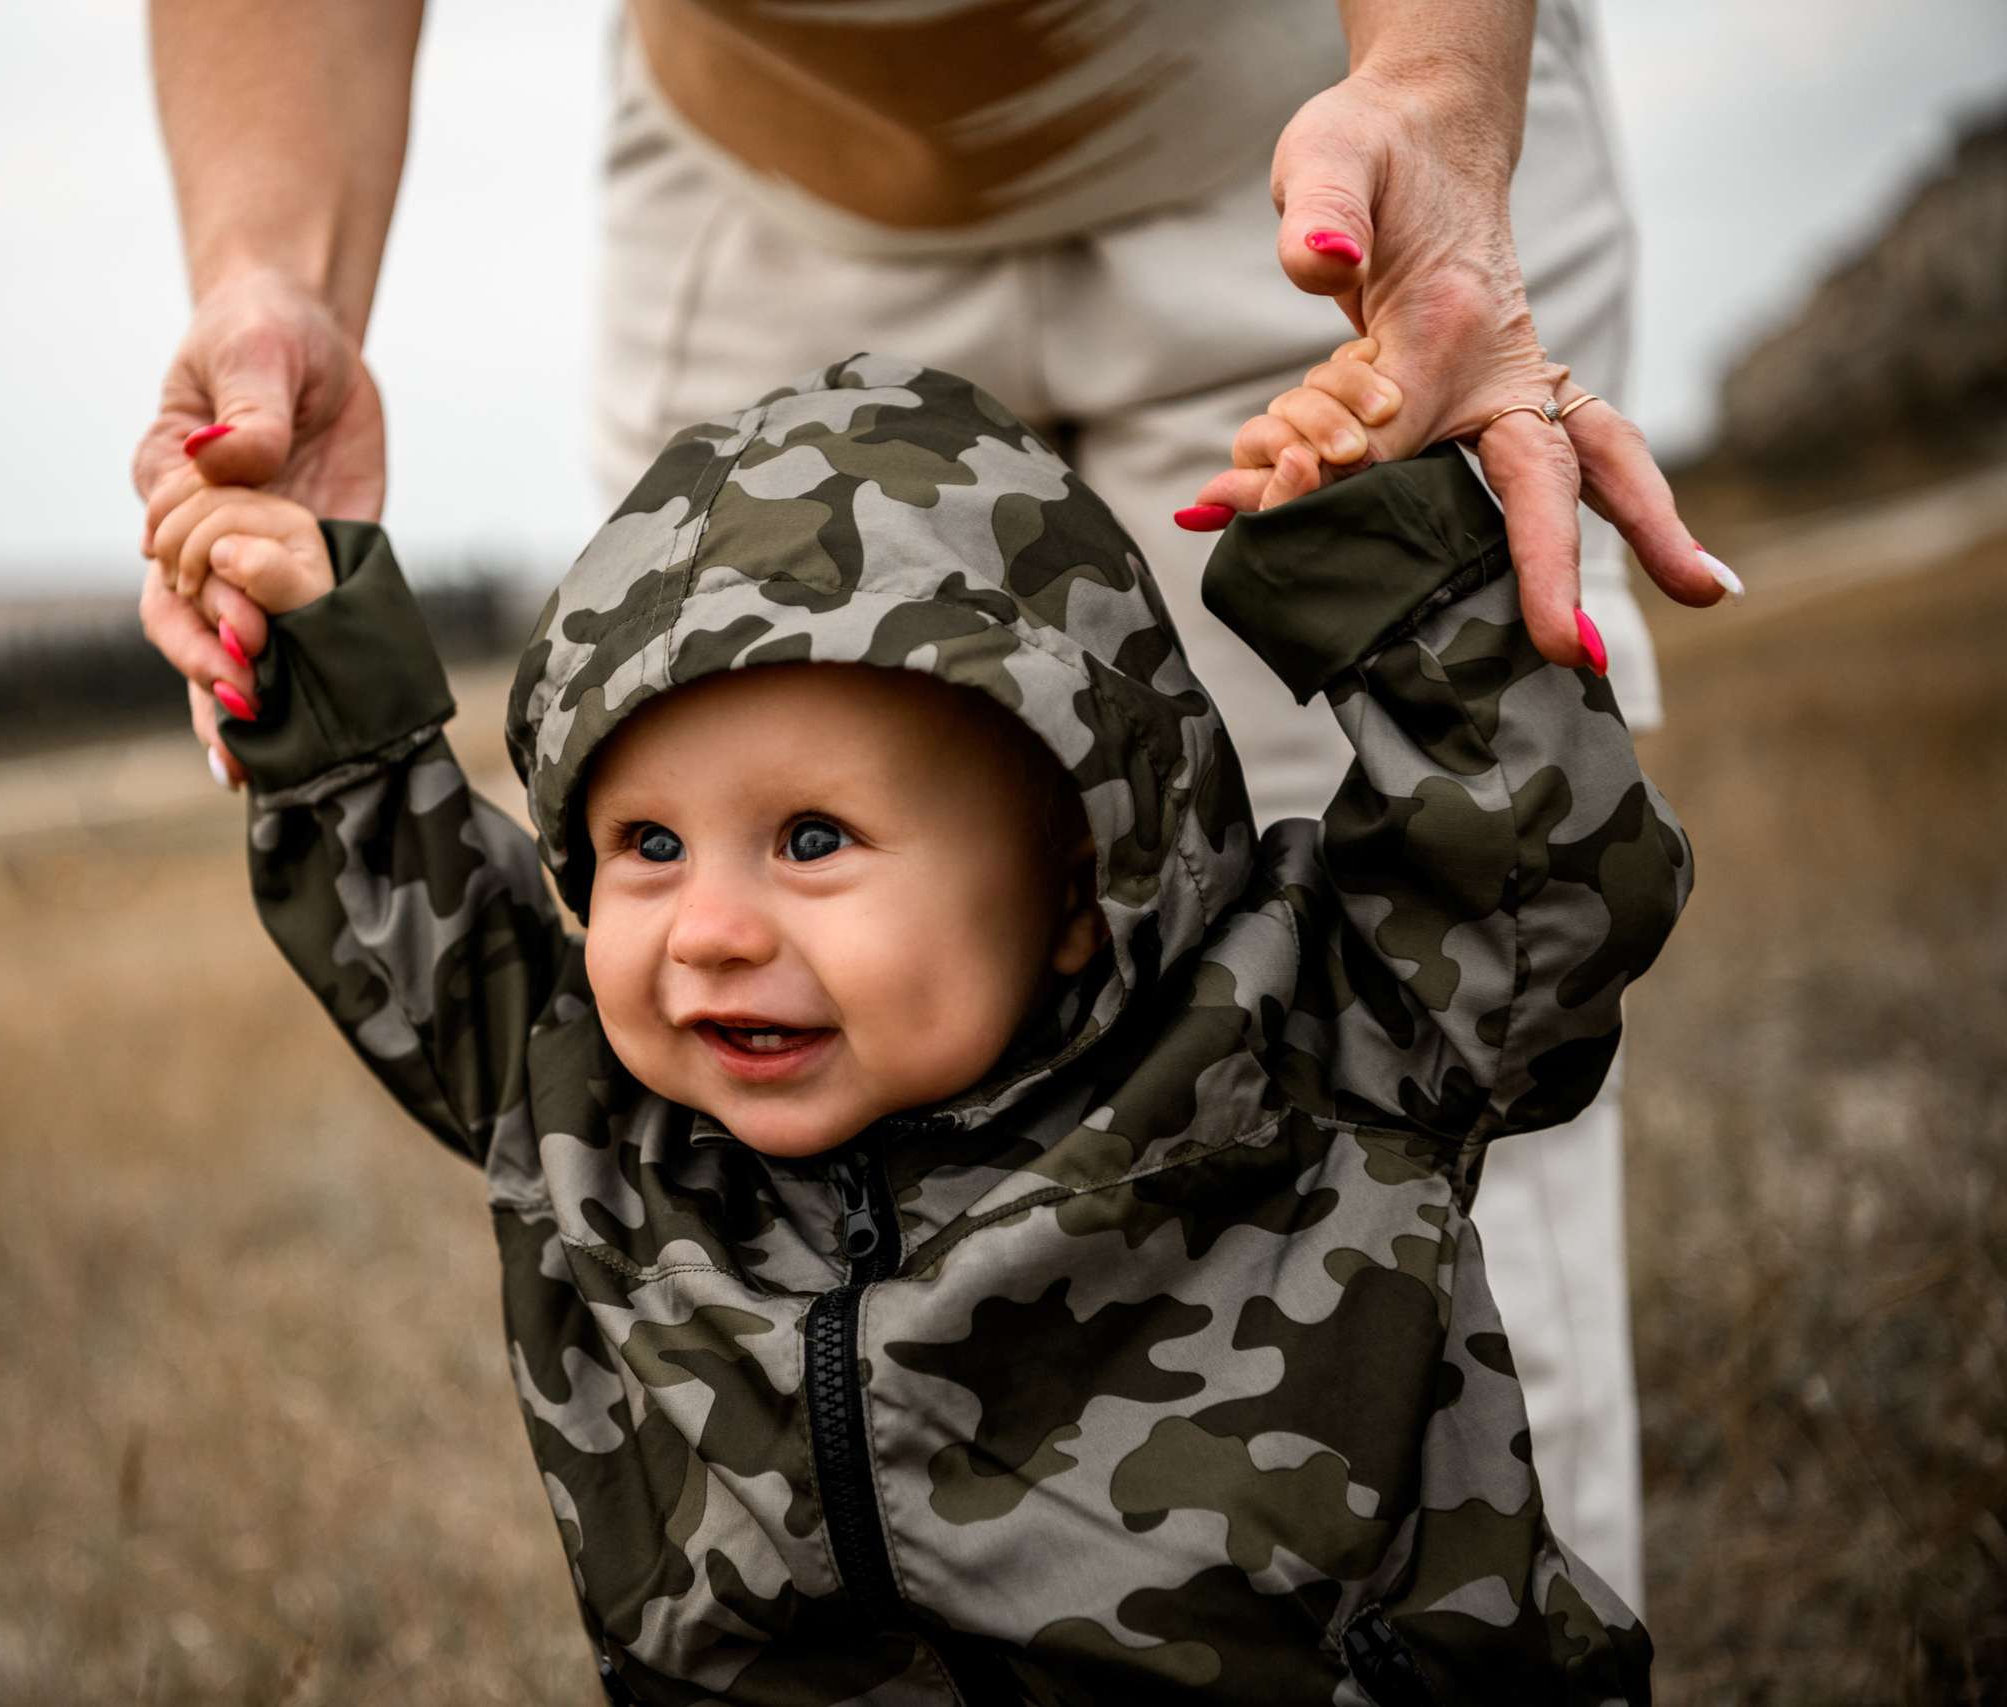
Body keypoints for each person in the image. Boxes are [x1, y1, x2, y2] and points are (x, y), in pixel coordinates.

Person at [135, 0, 1744, 1610]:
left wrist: (1391, 548)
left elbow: (1530, 898)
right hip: (765, 176)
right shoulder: (610, 1131)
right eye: (642, 844)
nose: (703, 931)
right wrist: (305, 639)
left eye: (811, 839)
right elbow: (432, 929)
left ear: (1076, 882)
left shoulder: (1294, 1060)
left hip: (1313, 150)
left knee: (1503, 1218)